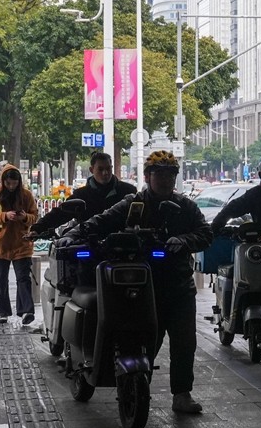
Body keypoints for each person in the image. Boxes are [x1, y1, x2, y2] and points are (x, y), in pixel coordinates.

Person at [59, 151, 213, 414]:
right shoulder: (133, 203)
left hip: (178, 285)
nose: (165, 179)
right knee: (144, 339)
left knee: (184, 342)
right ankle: (135, 385)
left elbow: (206, 233)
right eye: (159, 174)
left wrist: (184, 240)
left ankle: (182, 395)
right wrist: (73, 234)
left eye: (170, 174)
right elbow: (102, 221)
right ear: (147, 176)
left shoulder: (186, 206)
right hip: (140, 287)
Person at [0, 165, 39, 325]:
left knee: (23, 279)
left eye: (14, 183)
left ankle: (27, 311)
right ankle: (3, 312)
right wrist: (5, 216)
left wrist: (25, 217)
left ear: (19, 181)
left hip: (22, 243)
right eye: (8, 183)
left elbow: (34, 216)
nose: (11, 186)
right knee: (0, 280)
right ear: (3, 181)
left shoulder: (26, 195)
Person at [31, 151, 136, 233]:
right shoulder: (81, 195)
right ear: (91, 170)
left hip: (123, 245)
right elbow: (61, 213)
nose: (105, 173)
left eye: (108, 168)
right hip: (89, 244)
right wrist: (38, 228)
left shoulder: (128, 191)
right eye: (100, 169)